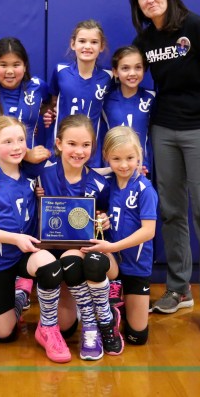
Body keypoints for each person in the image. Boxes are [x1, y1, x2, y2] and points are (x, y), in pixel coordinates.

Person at [129, 0, 200, 333]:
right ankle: (178, 289)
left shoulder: (195, 26)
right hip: (163, 129)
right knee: (171, 212)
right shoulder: (145, 40)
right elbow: (126, 75)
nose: (149, 0)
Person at [0, 116, 71, 363]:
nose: (16, 147)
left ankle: (48, 327)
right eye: (7, 142)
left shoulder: (32, 170)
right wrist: (15, 238)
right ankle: (20, 298)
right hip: (0, 258)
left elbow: (73, 165)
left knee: (50, 266)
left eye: (21, 140)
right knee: (3, 334)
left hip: (29, 252)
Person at [0, 38, 52, 310]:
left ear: (25, 66)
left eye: (16, 64)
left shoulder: (38, 87)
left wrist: (48, 114)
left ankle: (24, 282)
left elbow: (51, 106)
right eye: (3, 64)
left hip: (27, 168)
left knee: (26, 216)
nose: (10, 70)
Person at [34, 114, 122, 360]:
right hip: (53, 254)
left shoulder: (100, 184)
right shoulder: (41, 175)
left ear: (93, 147)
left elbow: (103, 219)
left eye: (86, 145)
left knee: (78, 259)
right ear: (59, 143)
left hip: (86, 255)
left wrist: (104, 221)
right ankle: (86, 314)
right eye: (72, 144)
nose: (79, 151)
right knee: (64, 327)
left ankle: (97, 320)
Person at [82, 126, 158, 347]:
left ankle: (121, 306)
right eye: (116, 159)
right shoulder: (107, 184)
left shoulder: (145, 189)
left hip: (136, 265)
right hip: (113, 261)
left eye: (130, 158)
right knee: (93, 260)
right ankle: (109, 304)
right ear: (106, 156)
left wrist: (113, 246)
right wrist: (102, 218)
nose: (124, 165)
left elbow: (149, 231)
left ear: (139, 156)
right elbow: (99, 211)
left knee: (137, 337)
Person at [44, 20, 113, 167]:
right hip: (62, 145)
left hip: (90, 149)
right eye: (82, 41)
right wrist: (52, 112)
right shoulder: (61, 71)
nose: (87, 46)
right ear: (73, 44)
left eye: (94, 42)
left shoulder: (108, 76)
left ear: (101, 46)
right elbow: (53, 101)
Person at [102, 45, 156, 175]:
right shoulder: (104, 99)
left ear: (144, 70)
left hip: (142, 167)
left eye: (138, 67)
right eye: (125, 68)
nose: (132, 73)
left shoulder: (151, 97)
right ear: (115, 72)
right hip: (113, 166)